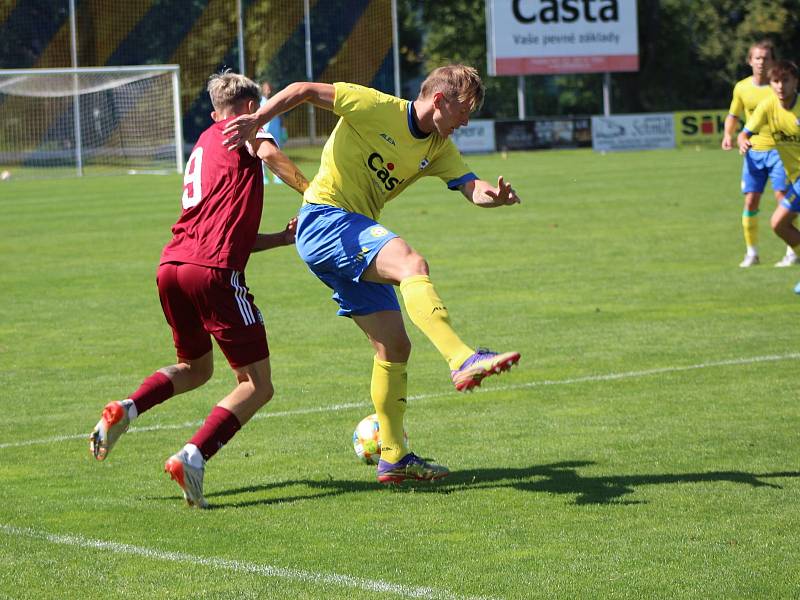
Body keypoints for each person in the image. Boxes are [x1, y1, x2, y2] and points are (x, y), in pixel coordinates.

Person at [222, 65, 521, 485]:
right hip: (326, 219)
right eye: (463, 110)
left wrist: (497, 197)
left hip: (349, 236)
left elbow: (472, 187)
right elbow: (303, 88)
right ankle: (463, 358)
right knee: (412, 264)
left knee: (395, 347)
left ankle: (394, 457)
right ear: (439, 100)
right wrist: (258, 118)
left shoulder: (437, 147)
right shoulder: (375, 105)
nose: (466, 121)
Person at [88, 71, 310, 508]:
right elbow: (270, 157)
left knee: (195, 368)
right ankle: (193, 456)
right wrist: (318, 193)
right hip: (212, 273)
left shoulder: (204, 143)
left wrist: (282, 239)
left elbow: (227, 231)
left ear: (214, 112)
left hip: (171, 266)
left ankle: (126, 408)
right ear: (251, 109)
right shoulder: (247, 131)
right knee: (257, 385)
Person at [722, 40, 795, 268]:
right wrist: (730, 136)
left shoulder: (781, 91)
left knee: (782, 201)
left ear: (773, 61)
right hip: (754, 153)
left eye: (766, 58)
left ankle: (792, 252)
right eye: (758, 58)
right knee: (751, 201)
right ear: (749, 61)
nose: (762, 62)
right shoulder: (742, 88)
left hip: (778, 152)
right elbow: (734, 116)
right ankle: (752, 253)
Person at [259, 80, 287, 185]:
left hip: (276, 132)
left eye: (269, 89)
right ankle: (264, 177)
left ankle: (278, 177)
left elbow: (281, 115)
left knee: (277, 155)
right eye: (266, 89)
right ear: (263, 90)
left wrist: (284, 130)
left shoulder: (276, 101)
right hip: (264, 132)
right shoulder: (259, 103)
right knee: (263, 156)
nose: (268, 91)